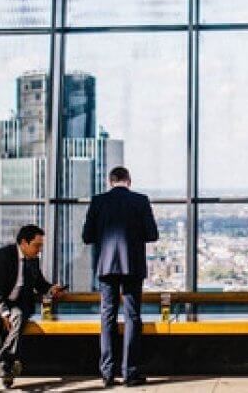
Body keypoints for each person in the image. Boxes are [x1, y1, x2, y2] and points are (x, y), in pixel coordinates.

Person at [83, 166, 159, 388]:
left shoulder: (98, 202)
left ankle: (106, 373)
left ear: (110, 181)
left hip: (106, 267)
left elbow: (87, 236)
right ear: (129, 181)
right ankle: (130, 373)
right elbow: (152, 234)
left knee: (107, 317)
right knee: (132, 317)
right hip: (132, 266)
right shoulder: (140, 201)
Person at [0, 224, 65, 388]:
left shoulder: (33, 260)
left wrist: (50, 289)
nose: (39, 249)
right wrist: (4, 313)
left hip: (12, 303)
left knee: (19, 316)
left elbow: (39, 283)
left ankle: (3, 363)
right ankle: (4, 365)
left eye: (41, 246)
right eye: (37, 245)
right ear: (24, 243)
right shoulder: (2, 256)